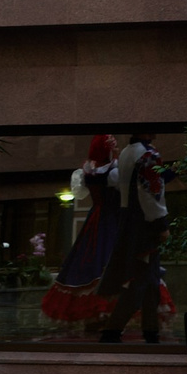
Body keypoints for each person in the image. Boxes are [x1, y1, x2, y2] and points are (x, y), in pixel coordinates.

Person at [95, 133, 173, 344]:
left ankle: (150, 331)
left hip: (129, 220)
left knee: (148, 280)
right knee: (142, 279)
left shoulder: (129, 152)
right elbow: (151, 192)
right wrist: (161, 224)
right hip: (143, 223)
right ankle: (113, 331)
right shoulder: (146, 153)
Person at [38, 135, 121, 329]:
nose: (115, 148)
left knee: (91, 260)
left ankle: (100, 316)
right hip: (112, 219)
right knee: (106, 259)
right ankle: (105, 315)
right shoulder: (114, 171)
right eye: (112, 146)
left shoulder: (87, 171)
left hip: (96, 218)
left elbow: (82, 193)